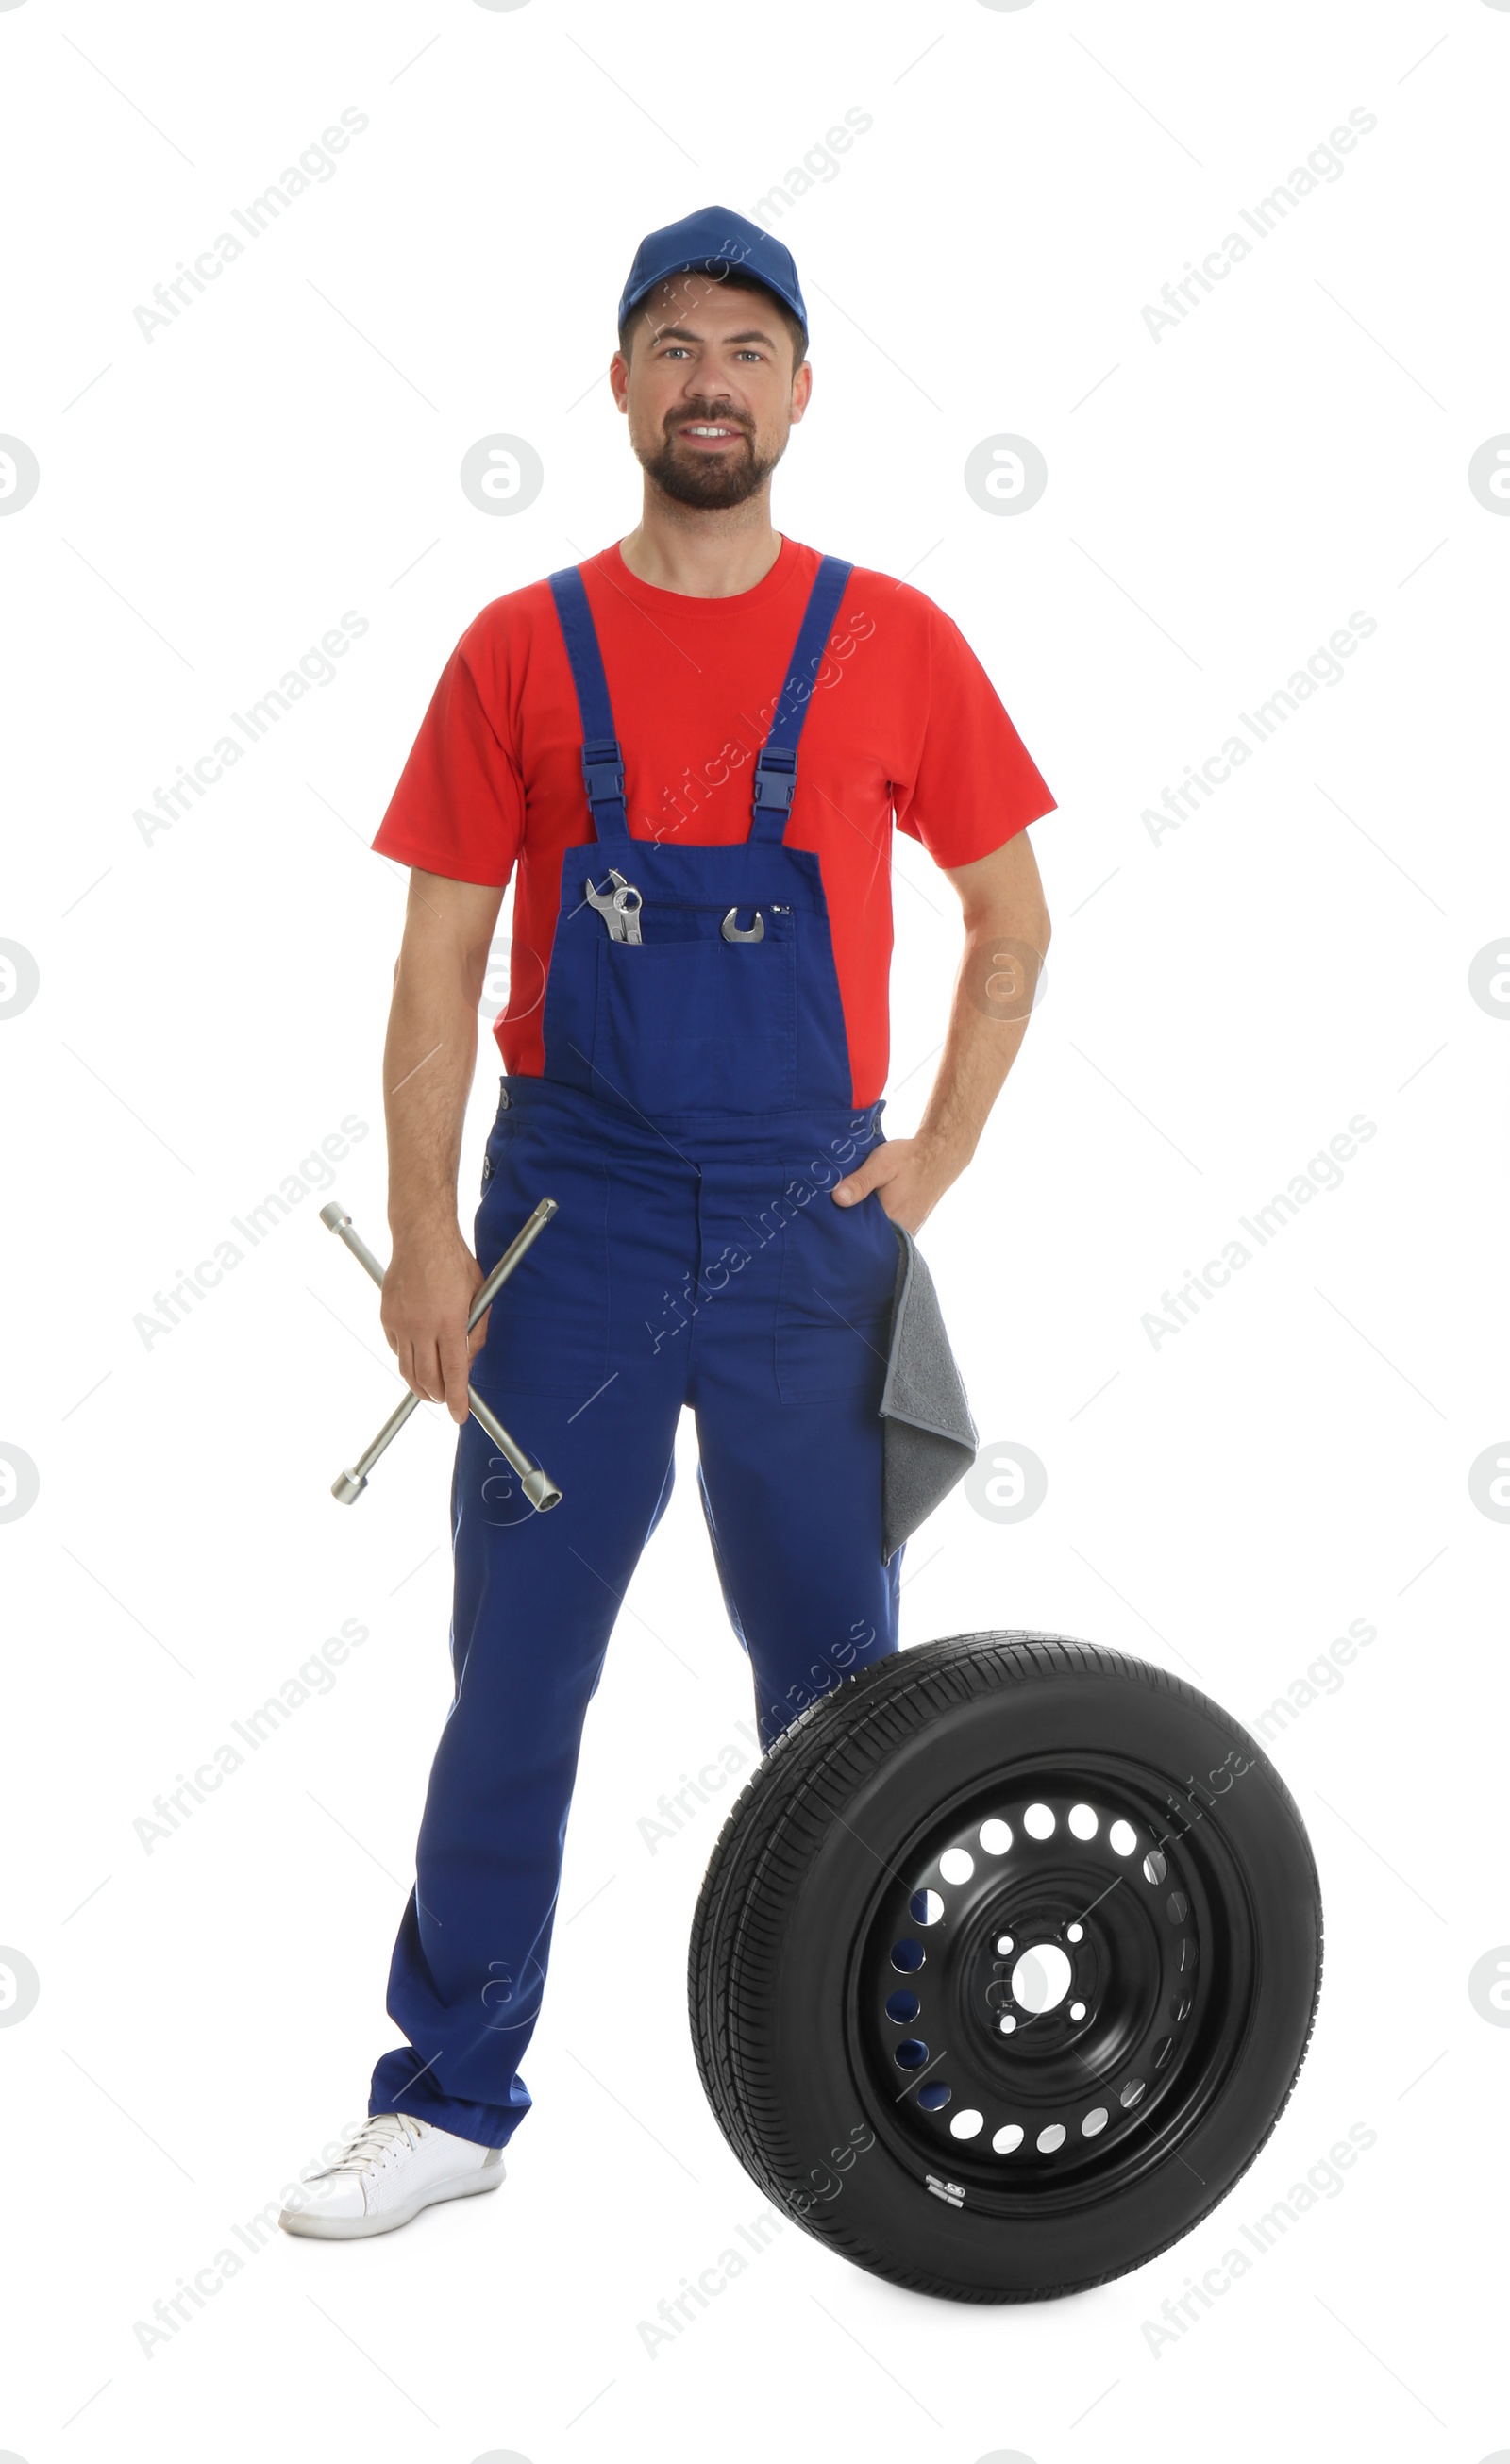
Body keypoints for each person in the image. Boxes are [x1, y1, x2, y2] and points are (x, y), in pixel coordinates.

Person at [280, 207, 1055, 2240]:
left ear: (798, 392)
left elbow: (1009, 920)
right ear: (618, 385)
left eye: (746, 346)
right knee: (516, 1677)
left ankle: (889, 2086)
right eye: (670, 344)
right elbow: (439, 966)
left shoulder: (896, 639)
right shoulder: (515, 649)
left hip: (807, 1225)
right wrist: (429, 1241)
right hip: (576, 1232)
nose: (707, 378)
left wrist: (935, 1160)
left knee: (839, 1695)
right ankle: (447, 2098)